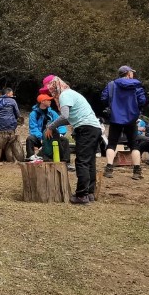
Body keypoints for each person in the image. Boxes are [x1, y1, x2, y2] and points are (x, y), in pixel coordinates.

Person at [42, 75, 102, 204]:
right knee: (89, 161)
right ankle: (90, 193)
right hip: (94, 128)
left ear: (54, 85)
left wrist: (51, 127)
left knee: (82, 161)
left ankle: (81, 195)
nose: (50, 92)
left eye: (49, 89)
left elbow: (65, 116)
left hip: (86, 128)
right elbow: (70, 118)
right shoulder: (71, 94)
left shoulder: (65, 95)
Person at [101, 66, 147, 181]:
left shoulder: (111, 85)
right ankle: (137, 171)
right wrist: (136, 109)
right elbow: (142, 100)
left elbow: (104, 98)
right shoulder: (136, 86)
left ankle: (109, 169)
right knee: (134, 145)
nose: (133, 74)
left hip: (115, 118)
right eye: (132, 72)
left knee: (112, 143)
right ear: (128, 73)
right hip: (131, 118)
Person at [27, 90, 69, 163]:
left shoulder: (52, 113)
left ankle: (66, 162)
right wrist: (41, 137)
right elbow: (33, 128)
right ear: (42, 101)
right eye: (48, 100)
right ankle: (31, 157)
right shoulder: (33, 114)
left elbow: (60, 123)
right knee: (30, 139)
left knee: (65, 140)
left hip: (52, 136)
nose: (50, 101)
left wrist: (61, 133)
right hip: (40, 138)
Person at [0, 87, 24, 162]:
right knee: (10, 140)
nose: (13, 96)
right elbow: (17, 114)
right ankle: (10, 157)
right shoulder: (12, 101)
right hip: (11, 125)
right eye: (12, 94)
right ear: (7, 93)